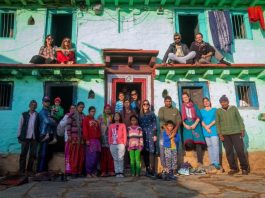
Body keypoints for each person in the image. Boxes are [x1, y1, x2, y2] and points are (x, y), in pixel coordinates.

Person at [216, 95, 249, 175]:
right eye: (222, 102)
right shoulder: (218, 111)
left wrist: (242, 129)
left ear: (228, 102)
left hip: (236, 133)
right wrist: (220, 134)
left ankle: (244, 168)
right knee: (229, 152)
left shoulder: (233, 108)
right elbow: (218, 123)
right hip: (225, 135)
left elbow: (239, 119)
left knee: (240, 150)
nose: (223, 103)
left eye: (225, 101)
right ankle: (233, 168)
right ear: (220, 103)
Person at [181, 92, 206, 168]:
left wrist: (195, 124)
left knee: (198, 143)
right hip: (187, 125)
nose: (185, 99)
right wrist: (185, 125)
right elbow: (181, 118)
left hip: (196, 125)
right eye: (183, 98)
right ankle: (190, 160)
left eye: (186, 97)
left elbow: (199, 116)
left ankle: (200, 162)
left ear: (189, 97)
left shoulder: (194, 106)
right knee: (189, 143)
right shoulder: (182, 107)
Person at [158, 96, 181, 173]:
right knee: (162, 149)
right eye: (167, 101)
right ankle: (165, 167)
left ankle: (173, 168)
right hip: (164, 133)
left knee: (174, 150)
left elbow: (179, 121)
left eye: (169, 101)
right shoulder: (162, 109)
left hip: (174, 132)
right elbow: (161, 120)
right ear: (164, 102)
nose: (168, 102)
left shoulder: (175, 110)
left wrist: (175, 130)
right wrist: (167, 129)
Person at [17, 100, 39, 175]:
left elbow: (38, 127)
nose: (33, 106)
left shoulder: (37, 115)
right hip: (24, 137)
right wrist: (19, 136)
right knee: (23, 154)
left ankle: (29, 170)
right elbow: (20, 126)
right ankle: (21, 171)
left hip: (34, 138)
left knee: (32, 155)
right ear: (29, 106)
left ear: (36, 106)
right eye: (32, 105)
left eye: (35, 105)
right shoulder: (24, 114)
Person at [200, 97, 221, 170]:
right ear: (203, 103)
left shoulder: (214, 110)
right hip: (205, 130)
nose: (206, 102)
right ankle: (212, 162)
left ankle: (217, 162)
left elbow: (216, 119)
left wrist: (209, 126)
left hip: (213, 130)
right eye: (204, 101)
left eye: (207, 101)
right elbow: (201, 120)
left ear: (209, 102)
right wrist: (206, 127)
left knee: (215, 145)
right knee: (209, 146)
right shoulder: (201, 111)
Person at [37, 96, 57, 172]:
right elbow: (47, 121)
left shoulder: (49, 111)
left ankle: (44, 170)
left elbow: (53, 120)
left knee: (48, 154)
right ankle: (40, 171)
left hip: (50, 134)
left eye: (48, 101)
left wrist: (53, 120)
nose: (47, 102)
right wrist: (54, 122)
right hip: (44, 134)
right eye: (45, 101)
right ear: (42, 102)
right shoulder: (42, 112)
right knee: (43, 154)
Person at [66, 102, 85, 177]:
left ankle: (79, 171)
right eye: (80, 107)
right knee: (74, 156)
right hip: (74, 138)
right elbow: (68, 126)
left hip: (81, 139)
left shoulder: (83, 116)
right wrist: (69, 136)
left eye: (83, 107)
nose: (81, 109)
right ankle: (73, 172)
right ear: (77, 107)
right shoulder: (72, 115)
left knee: (80, 156)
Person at [139, 100, 157, 177]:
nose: (145, 105)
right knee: (144, 151)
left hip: (150, 134)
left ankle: (152, 169)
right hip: (142, 134)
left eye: (147, 104)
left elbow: (155, 124)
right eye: (144, 104)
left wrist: (155, 135)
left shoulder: (152, 114)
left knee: (151, 151)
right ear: (142, 106)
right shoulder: (140, 115)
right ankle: (147, 169)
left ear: (149, 105)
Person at [83, 106, 101, 177]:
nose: (93, 113)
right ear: (89, 111)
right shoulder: (86, 119)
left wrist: (99, 138)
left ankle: (94, 172)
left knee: (96, 156)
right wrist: (86, 139)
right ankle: (88, 172)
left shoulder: (96, 121)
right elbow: (85, 130)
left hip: (97, 141)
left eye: (94, 111)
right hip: (90, 140)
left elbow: (98, 130)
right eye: (92, 111)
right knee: (90, 157)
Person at [57, 105, 76, 175]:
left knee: (73, 155)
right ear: (69, 109)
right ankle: (68, 170)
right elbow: (61, 124)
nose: (73, 109)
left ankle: (74, 169)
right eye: (71, 108)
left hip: (75, 139)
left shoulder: (77, 116)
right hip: (68, 139)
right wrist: (69, 117)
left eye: (74, 108)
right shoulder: (66, 115)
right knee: (68, 154)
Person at [98, 104, 115, 177]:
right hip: (103, 138)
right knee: (103, 155)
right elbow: (97, 126)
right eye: (106, 109)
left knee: (110, 155)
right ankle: (103, 171)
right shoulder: (100, 117)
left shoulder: (112, 117)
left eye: (109, 109)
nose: (107, 110)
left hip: (111, 138)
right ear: (104, 109)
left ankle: (111, 170)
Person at [108, 112, 127, 177]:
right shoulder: (111, 125)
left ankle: (120, 172)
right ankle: (117, 172)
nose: (116, 117)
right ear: (113, 117)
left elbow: (125, 134)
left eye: (118, 116)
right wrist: (110, 143)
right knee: (115, 158)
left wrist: (124, 143)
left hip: (121, 144)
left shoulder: (123, 125)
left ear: (120, 117)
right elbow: (109, 135)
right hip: (113, 144)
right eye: (115, 116)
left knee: (121, 158)